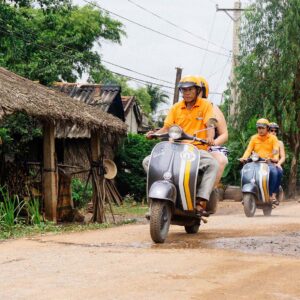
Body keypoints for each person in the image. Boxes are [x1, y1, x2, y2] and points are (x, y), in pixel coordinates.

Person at [143, 75, 219, 216]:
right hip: (175, 149)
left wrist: (209, 137)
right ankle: (156, 200)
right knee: (148, 161)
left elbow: (210, 124)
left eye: (190, 89)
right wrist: (154, 134)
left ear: (197, 90)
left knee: (213, 164)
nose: (187, 93)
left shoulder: (206, 105)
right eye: (183, 90)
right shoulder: (175, 108)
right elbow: (166, 128)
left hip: (196, 150)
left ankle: (200, 201)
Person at [239, 118, 280, 203]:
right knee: (243, 172)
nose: (260, 130)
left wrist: (274, 158)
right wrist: (244, 157)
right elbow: (248, 150)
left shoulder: (273, 138)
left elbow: (275, 150)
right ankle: (245, 195)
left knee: (275, 172)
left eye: (262, 128)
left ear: (267, 128)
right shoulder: (254, 138)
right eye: (259, 128)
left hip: (268, 162)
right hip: (255, 162)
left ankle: (272, 195)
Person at [197, 76, 229, 186]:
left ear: (203, 91)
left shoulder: (212, 108)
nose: (192, 92)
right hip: (185, 146)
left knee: (221, 160)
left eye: (197, 89)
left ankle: (207, 193)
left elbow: (224, 134)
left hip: (207, 146)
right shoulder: (179, 107)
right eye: (188, 89)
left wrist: (212, 143)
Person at [269, 122, 285, 203]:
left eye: (275, 131)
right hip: (263, 163)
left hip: (275, 163)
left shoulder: (279, 143)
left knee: (279, 172)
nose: (273, 132)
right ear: (268, 131)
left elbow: (283, 157)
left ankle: (273, 195)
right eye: (271, 130)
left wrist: (279, 164)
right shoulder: (264, 141)